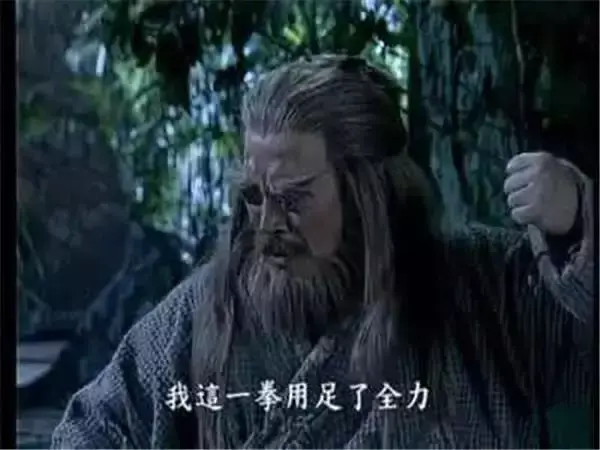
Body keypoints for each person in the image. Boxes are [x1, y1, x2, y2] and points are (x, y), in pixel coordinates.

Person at [51, 55, 594, 449]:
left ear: (368, 195)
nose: (267, 225)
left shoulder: (480, 289)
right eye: (254, 197)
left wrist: (576, 216)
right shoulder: (209, 312)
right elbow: (90, 431)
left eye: (293, 199)